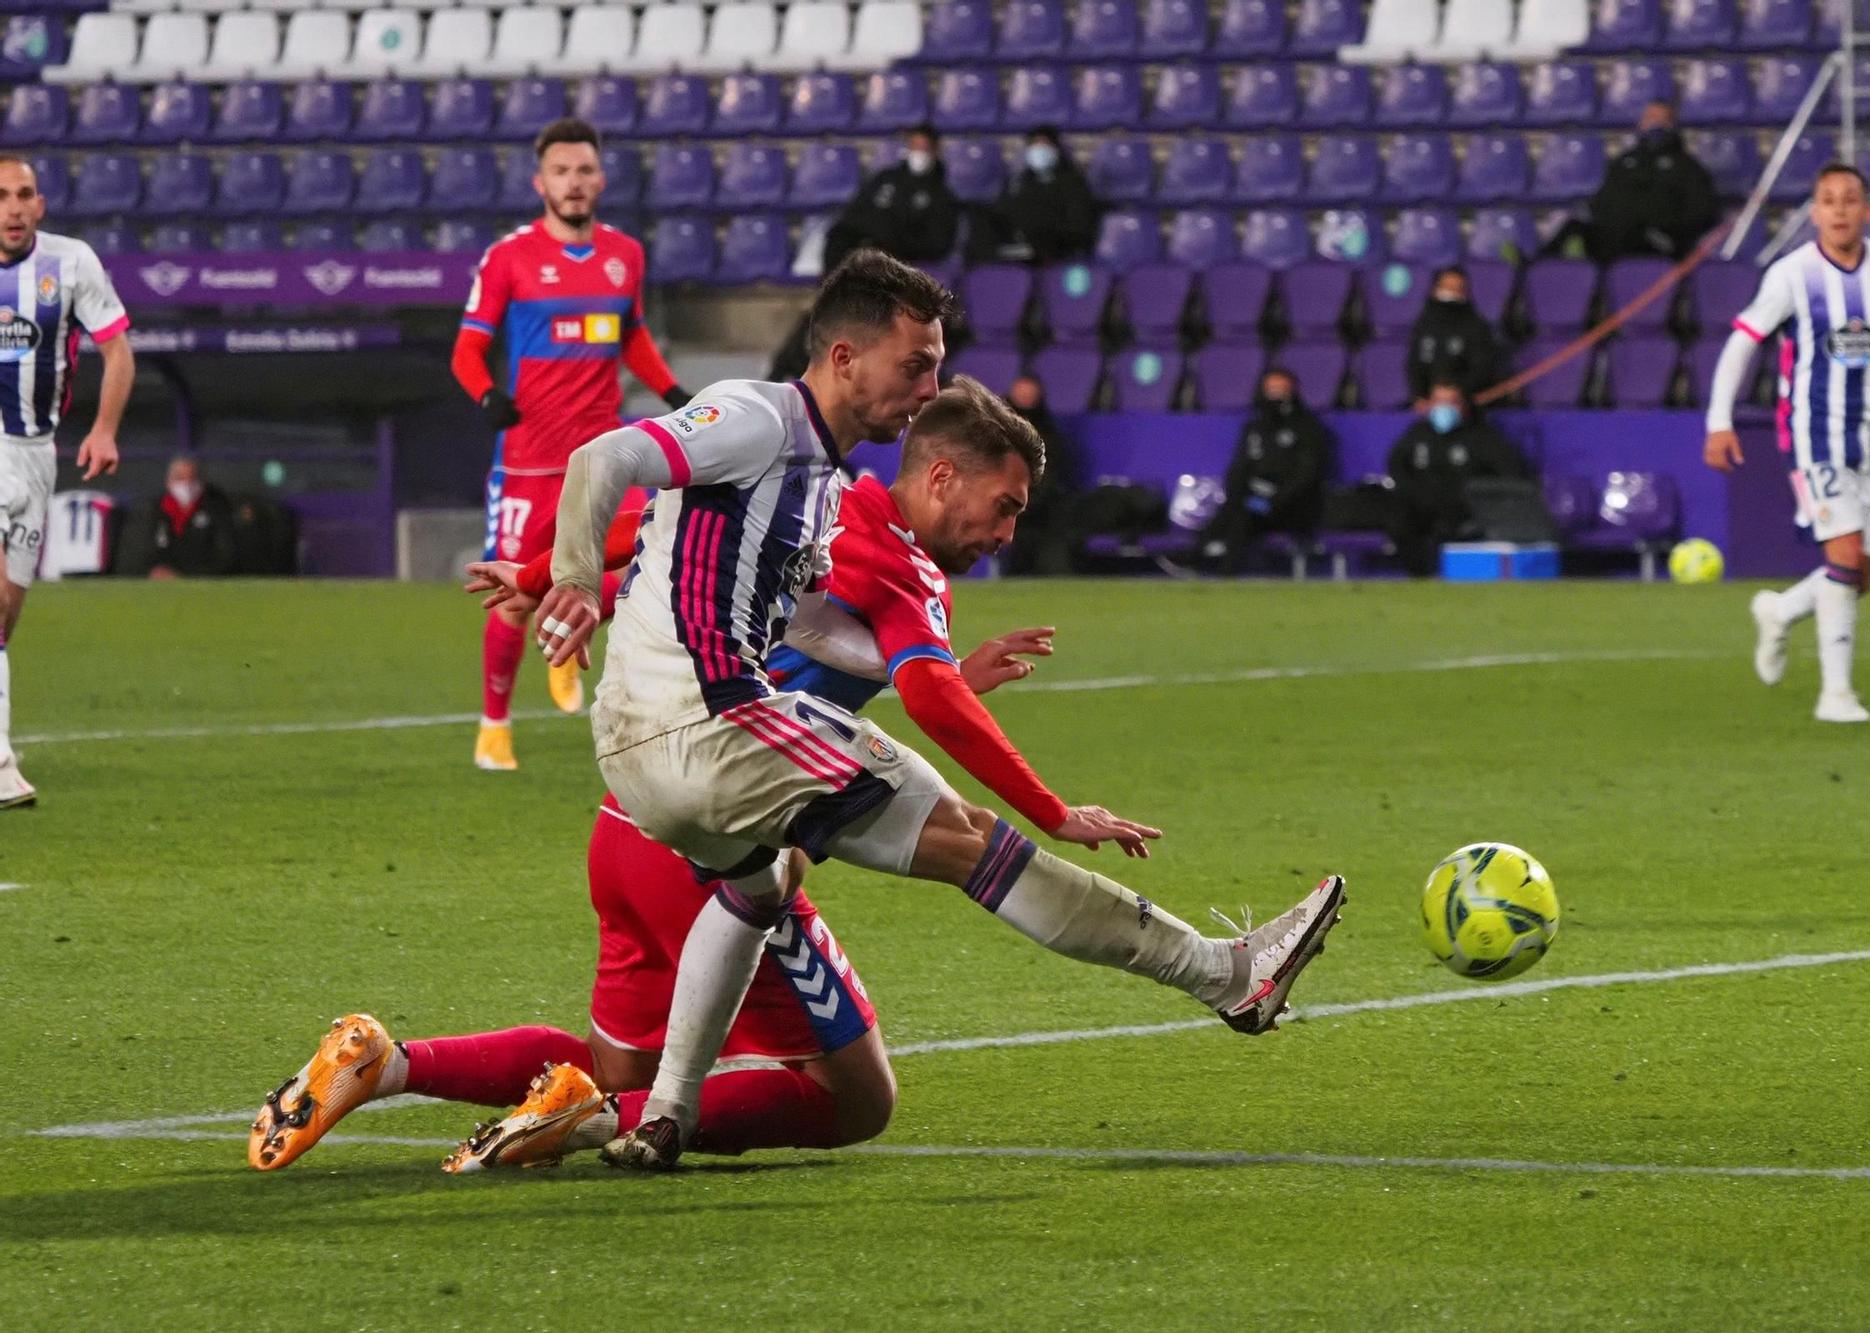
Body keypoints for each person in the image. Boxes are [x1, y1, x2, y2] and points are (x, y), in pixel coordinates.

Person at [529, 251, 1345, 1171]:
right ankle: (1226, 976)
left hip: (642, 760)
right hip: (709, 725)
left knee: (758, 886)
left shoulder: (825, 489)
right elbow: (607, 454)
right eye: (915, 364)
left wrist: (549, 581)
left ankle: (666, 1114)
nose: (930, 387)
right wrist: (564, 578)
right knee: (967, 836)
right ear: (843, 357)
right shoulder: (760, 419)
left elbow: (739, 578)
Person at [248, 394, 1091, 1174]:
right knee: (858, 1097)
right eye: (1007, 507)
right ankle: (602, 1120)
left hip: (630, 824)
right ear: (942, 475)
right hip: (718, 842)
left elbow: (663, 557)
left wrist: (544, 571)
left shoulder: (796, 522)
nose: (1005, 532)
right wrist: (1039, 796)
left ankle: (383, 1062)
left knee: (613, 1060)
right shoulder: (863, 533)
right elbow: (898, 693)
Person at [451, 116, 690, 773]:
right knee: (512, 593)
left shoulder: (625, 256)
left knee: (647, 564)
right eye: (561, 171)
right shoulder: (508, 258)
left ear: (600, 179)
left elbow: (632, 336)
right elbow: (468, 349)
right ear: (541, 182)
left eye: (584, 170)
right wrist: (487, 396)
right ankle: (493, 725)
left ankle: (570, 625)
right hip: (529, 458)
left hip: (606, 453)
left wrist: (670, 394)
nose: (574, 182)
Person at [1703, 162, 1870, 724]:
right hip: (1812, 434)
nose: (1839, 209)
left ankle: (1781, 611)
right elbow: (1742, 344)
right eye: (1828, 200)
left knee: (1861, 575)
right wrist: (1720, 419)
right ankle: (1836, 695)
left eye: (1849, 199)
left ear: (1868, 211)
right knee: (1842, 556)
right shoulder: (1792, 275)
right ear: (1814, 213)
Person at [0, 154, 132, 811]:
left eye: (24, 195)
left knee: (5, 617)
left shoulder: (71, 262)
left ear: (41, 204)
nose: (13, 208)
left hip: (35, 453)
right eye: (1, 196)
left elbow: (117, 349)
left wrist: (104, 430)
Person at [1384, 378, 1533, 576]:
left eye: (1451, 402)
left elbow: (1509, 472)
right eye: (1439, 401)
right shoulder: (1418, 433)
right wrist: (1413, 492)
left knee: (1447, 529)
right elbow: (1397, 465)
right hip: (1422, 503)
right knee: (1399, 521)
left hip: (1463, 507)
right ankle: (1418, 577)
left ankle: (1449, 577)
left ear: (1464, 405)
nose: (1443, 408)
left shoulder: (1483, 437)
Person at [1203, 369, 1332, 577]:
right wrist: (1240, 493)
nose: (1275, 396)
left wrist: (1275, 499)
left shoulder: (1308, 428)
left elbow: (1308, 475)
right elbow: (1239, 468)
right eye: (1271, 390)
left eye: (1281, 390)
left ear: (1293, 391)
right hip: (1257, 504)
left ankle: (1206, 562)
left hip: (1292, 508)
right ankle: (1215, 566)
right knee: (1239, 509)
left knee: (1242, 512)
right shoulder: (1255, 427)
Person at [1580, 101, 1720, 263]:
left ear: (1672, 124)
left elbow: (1701, 212)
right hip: (1615, 239)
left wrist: (1670, 232)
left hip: (1660, 242)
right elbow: (1601, 202)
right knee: (1572, 230)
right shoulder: (1624, 162)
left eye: (1660, 119)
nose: (1654, 123)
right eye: (1649, 118)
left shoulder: (1688, 167)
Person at [823, 124, 960, 272]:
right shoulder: (885, 178)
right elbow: (857, 210)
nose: (918, 153)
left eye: (923, 148)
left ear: (935, 151)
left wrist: (895, 234)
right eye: (914, 146)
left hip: (902, 250)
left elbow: (936, 242)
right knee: (839, 236)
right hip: (868, 241)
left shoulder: (941, 193)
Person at [979, 126, 1100, 265]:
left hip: (1056, 246)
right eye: (1034, 145)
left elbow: (1079, 224)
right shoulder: (1019, 182)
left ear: (1056, 149)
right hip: (1021, 245)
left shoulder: (1073, 183)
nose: (1039, 150)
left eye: (1044, 145)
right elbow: (1003, 212)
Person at [1000, 373, 1081, 575]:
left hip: (1040, 510)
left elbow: (1050, 479)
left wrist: (1024, 504)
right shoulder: (993, 435)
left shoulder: (1049, 437)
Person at [1406, 266, 1501, 406]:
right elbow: (1414, 364)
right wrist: (1420, 396)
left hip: (1466, 406)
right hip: (1428, 406)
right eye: (1447, 287)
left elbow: (1481, 369)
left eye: (1457, 288)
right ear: (1434, 289)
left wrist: (1457, 392)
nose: (1451, 293)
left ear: (1466, 293)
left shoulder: (1477, 327)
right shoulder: (1423, 325)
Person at [143, 455, 235, 579]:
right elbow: (148, 552)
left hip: (204, 580)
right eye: (180, 478)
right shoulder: (157, 510)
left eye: (192, 478)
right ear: (168, 481)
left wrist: (185, 576)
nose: (187, 484)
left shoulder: (217, 508)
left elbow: (225, 555)